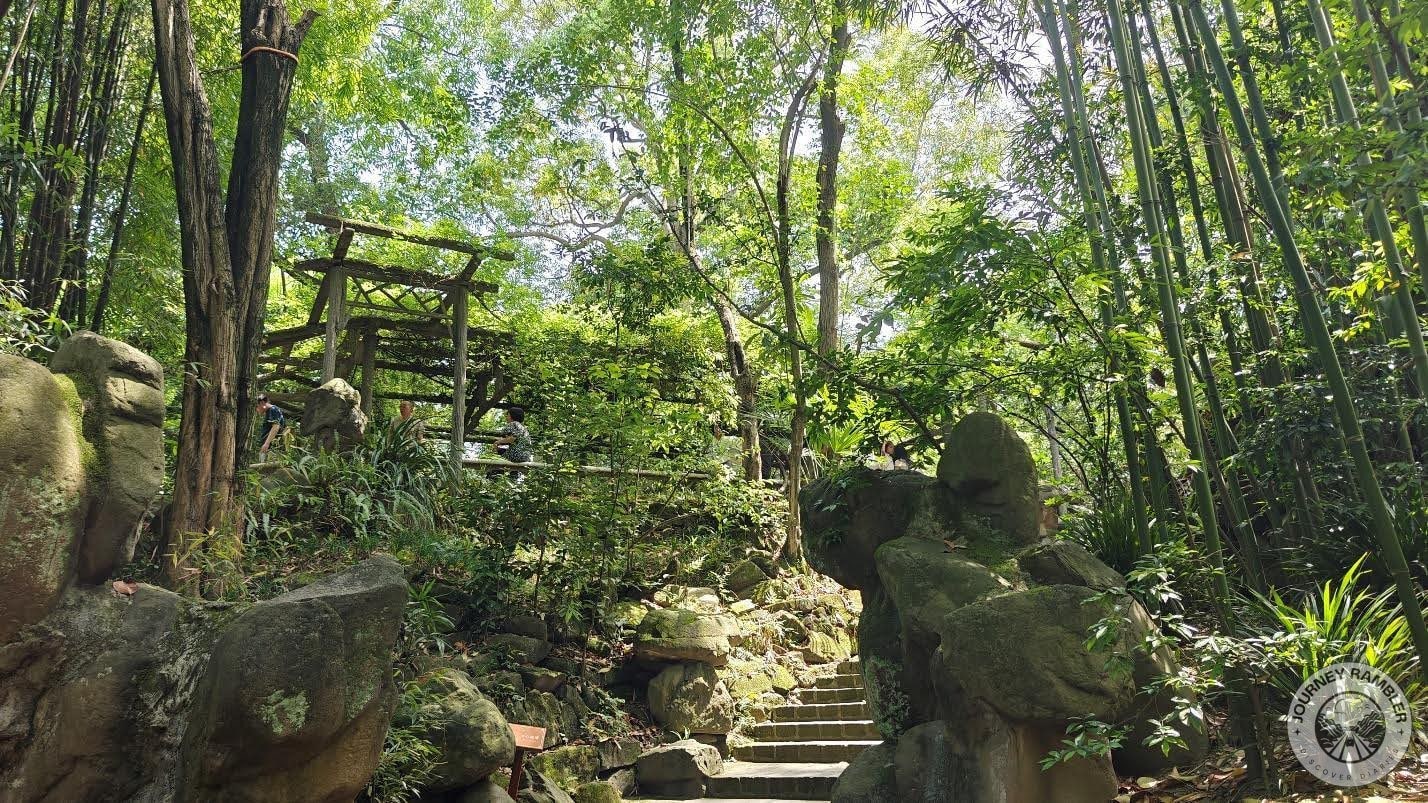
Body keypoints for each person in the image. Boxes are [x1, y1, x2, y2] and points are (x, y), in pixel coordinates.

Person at [256, 393, 286, 462]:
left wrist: (266, 443)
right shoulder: (270, 411)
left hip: (272, 446)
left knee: (266, 465)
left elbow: (276, 427)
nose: (256, 410)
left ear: (262, 403)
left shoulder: (273, 410)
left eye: (257, 406)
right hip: (270, 446)